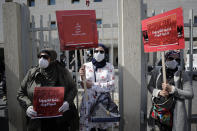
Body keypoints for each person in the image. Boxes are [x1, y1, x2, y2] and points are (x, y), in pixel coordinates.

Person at [17, 48, 79, 131]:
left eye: (45, 57)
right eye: (40, 56)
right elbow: (21, 93)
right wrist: (28, 106)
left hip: (60, 119)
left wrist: (67, 102)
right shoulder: (32, 73)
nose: (41, 59)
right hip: (38, 121)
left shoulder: (62, 72)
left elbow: (73, 88)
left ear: (52, 58)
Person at [147, 51, 194, 131]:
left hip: (174, 115)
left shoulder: (182, 74)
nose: (174, 61)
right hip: (158, 113)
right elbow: (150, 86)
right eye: (171, 58)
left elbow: (190, 94)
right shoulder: (157, 71)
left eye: (177, 59)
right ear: (165, 59)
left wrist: (173, 89)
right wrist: (158, 92)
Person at [79, 44, 116, 131]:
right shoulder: (85, 66)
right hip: (88, 102)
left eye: (101, 51)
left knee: (102, 126)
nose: (98, 53)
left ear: (105, 53)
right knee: (88, 127)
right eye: (96, 51)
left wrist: (92, 85)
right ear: (93, 52)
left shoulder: (109, 67)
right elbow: (83, 85)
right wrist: (81, 77)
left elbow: (111, 85)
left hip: (102, 102)